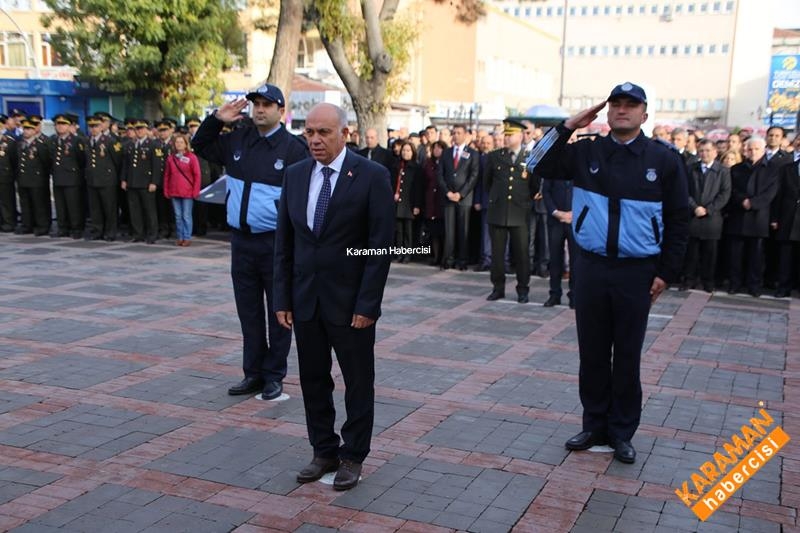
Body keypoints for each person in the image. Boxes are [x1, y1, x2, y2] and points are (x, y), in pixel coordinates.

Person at [526, 82, 689, 464]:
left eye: (631, 105)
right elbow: (535, 163)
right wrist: (569, 125)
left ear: (644, 114)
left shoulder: (663, 159)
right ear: (607, 110)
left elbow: (679, 220)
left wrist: (666, 273)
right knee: (593, 353)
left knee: (627, 356)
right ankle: (594, 425)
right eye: (616, 104)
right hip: (592, 268)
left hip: (637, 271)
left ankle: (621, 432)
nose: (622, 110)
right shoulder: (587, 151)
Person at [274, 103, 394, 491]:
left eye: (323, 132)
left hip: (351, 304)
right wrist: (282, 298)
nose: (314, 140)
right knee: (313, 379)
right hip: (306, 299)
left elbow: (379, 247)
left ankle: (353, 455)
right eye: (309, 132)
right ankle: (322, 449)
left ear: (345, 134)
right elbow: (285, 243)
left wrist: (368, 303)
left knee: (357, 381)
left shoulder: (371, 176)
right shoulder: (295, 175)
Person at [192, 84, 309, 400]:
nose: (259, 109)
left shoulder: (294, 149)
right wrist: (216, 119)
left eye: (267, 105)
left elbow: (303, 200)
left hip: (276, 244)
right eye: (256, 104)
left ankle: (274, 375)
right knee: (249, 312)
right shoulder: (238, 139)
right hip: (241, 242)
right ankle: (253, 372)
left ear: (280, 111)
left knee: (279, 313)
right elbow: (199, 145)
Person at [484, 119, 535, 303]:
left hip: (520, 213)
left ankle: (523, 289)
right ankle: (498, 288)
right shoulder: (494, 156)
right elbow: (487, 183)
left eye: (510, 135)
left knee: (522, 254)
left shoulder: (529, 157)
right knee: (497, 255)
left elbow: (534, 186)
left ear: (520, 136)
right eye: (505, 135)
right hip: (498, 212)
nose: (506, 138)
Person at [724, 137, 778, 296]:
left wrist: (753, 203)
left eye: (756, 149)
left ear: (763, 150)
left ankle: (754, 285)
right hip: (738, 215)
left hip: (759, 217)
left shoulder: (773, 169)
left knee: (756, 256)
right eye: (750, 149)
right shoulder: (737, 169)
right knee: (735, 255)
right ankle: (735, 283)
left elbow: (771, 192)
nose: (753, 152)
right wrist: (742, 200)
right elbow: (731, 189)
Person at [682, 139, 731, 292]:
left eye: (708, 150)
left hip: (712, 218)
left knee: (710, 253)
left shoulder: (723, 171)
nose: (704, 154)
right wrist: (694, 207)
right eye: (702, 151)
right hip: (694, 216)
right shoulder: (691, 168)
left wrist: (708, 209)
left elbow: (724, 194)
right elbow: (684, 191)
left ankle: (708, 281)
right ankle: (689, 280)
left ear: (715, 152)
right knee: (691, 252)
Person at [438, 124, 480, 270]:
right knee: (449, 231)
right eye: (454, 133)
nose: (456, 135)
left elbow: (474, 176)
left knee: (463, 230)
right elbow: (440, 175)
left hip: (464, 198)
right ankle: (448, 259)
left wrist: (461, 194)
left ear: (465, 135)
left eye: (459, 133)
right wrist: (447, 192)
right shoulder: (446, 153)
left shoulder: (473, 153)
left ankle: (462, 260)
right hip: (448, 197)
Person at [542, 135, 576, 308]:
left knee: (576, 260)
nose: (569, 144)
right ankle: (554, 294)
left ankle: (574, 295)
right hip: (556, 219)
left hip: (575, 219)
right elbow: (546, 192)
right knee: (555, 259)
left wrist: (575, 213)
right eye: (567, 140)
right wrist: (556, 212)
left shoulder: (581, 165)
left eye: (573, 140)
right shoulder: (553, 164)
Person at [84, 114, 123, 241]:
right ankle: (97, 230)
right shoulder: (87, 141)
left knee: (109, 208)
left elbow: (117, 160)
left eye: (96, 126)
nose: (93, 129)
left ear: (101, 127)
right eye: (91, 126)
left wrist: (113, 176)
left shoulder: (110, 141)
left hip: (107, 180)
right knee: (95, 208)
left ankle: (110, 232)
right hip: (92, 179)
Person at [771, 136, 800, 298]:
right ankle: (783, 287)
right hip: (788, 218)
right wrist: (775, 218)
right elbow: (779, 195)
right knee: (785, 256)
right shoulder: (787, 168)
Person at [121, 119, 158, 244]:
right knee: (135, 210)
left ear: (147, 130)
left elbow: (156, 165)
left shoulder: (153, 144)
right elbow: (126, 164)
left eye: (141, 128)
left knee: (149, 210)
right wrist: (124, 179)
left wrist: (154, 182)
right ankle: (138, 234)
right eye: (137, 129)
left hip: (146, 183)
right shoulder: (130, 145)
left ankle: (152, 234)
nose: (139, 131)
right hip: (132, 182)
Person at [50, 114, 86, 239]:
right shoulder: (53, 140)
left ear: (69, 126)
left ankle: (76, 228)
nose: (60, 126)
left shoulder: (76, 141)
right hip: (58, 177)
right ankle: (62, 228)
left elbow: (81, 160)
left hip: (72, 178)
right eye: (58, 124)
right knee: (60, 205)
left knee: (73, 205)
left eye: (63, 124)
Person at [15, 116, 52, 236]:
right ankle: (27, 225)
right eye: (24, 129)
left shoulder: (40, 144)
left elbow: (46, 162)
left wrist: (42, 176)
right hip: (23, 178)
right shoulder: (20, 143)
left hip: (37, 179)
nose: (26, 131)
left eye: (29, 129)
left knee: (39, 204)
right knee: (25, 204)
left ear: (34, 130)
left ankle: (42, 226)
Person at [163, 133, 201, 246]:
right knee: (178, 216)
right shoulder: (171, 158)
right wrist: (166, 189)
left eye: (181, 142)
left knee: (186, 216)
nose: (179, 144)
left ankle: (187, 237)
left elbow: (197, 175)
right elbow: (167, 175)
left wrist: (196, 190)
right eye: (177, 142)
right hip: (174, 190)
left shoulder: (192, 157)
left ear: (185, 144)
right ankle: (180, 237)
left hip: (187, 191)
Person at [392, 141, 423, 262]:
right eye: (404, 150)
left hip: (409, 203)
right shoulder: (397, 166)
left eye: (408, 150)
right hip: (398, 203)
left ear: (413, 152)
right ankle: (399, 253)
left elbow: (418, 188)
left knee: (408, 231)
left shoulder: (416, 168)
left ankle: (408, 254)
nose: (406, 153)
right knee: (399, 230)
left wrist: (417, 205)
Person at [422, 141, 447, 266]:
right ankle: (436, 257)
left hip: (443, 200)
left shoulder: (446, 162)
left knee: (444, 232)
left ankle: (444, 257)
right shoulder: (428, 163)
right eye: (435, 148)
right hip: (431, 201)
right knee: (434, 232)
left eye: (439, 148)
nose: (436, 150)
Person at [0, 119, 18, 232]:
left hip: (5, 175)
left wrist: (12, 174)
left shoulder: (9, 140)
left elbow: (14, 160)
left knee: (6, 201)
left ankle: (9, 222)